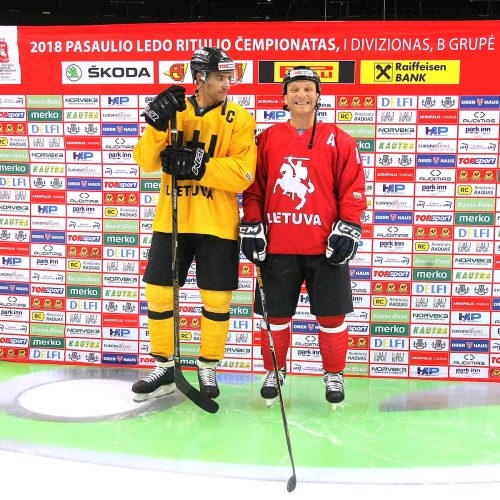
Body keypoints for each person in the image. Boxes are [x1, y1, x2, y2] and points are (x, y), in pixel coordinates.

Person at [132, 47, 257, 402]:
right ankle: (165, 366)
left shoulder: (241, 119)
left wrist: (200, 167)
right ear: (200, 77)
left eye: (229, 77)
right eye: (220, 77)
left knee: (217, 299)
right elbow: (145, 162)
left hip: (217, 222)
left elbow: (244, 174)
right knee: (158, 292)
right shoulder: (175, 110)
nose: (226, 84)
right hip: (171, 221)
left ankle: (208, 365)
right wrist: (156, 125)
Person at [239, 66, 366, 404]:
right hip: (278, 246)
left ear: (318, 96)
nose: (301, 95)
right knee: (275, 316)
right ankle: (275, 369)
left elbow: (352, 189)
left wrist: (350, 225)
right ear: (284, 98)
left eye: (308, 89)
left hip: (325, 247)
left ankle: (334, 375)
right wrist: (252, 223)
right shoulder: (266, 139)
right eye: (294, 89)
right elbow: (254, 188)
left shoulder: (340, 139)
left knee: (331, 316)